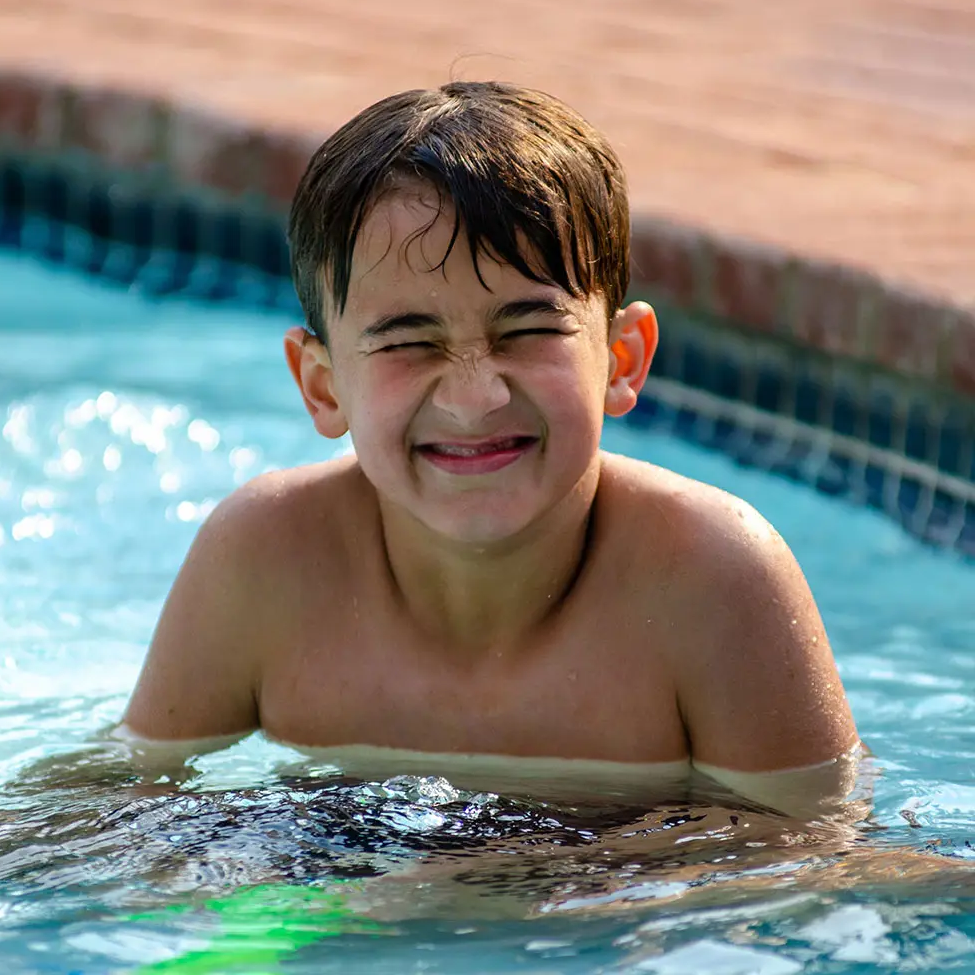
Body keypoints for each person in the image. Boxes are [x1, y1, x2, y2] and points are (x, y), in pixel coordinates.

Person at [119, 81, 860, 816]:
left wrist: (496, 879)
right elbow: (117, 810)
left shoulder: (710, 577)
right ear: (323, 388)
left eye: (529, 331)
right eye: (410, 341)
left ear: (622, 358)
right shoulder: (265, 560)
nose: (475, 397)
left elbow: (808, 860)